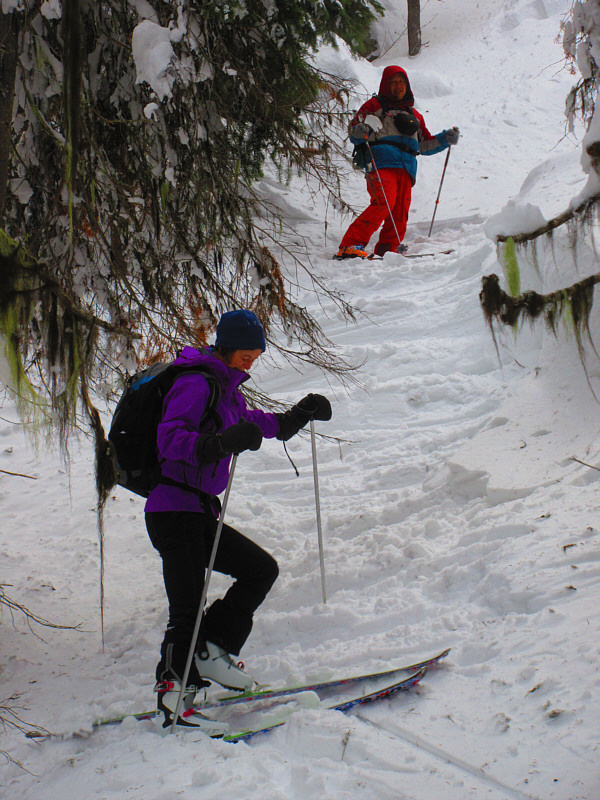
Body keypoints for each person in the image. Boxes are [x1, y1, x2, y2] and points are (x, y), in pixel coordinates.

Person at [145, 309, 332, 733]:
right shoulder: (194, 382)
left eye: (256, 354)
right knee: (186, 609)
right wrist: (219, 443)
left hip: (197, 511)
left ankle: (211, 649)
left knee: (259, 569)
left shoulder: (227, 393)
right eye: (246, 353)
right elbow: (171, 438)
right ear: (226, 348)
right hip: (173, 510)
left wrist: (300, 414)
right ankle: (174, 691)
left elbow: (264, 425)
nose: (251, 360)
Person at [336, 65, 460, 259]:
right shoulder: (373, 107)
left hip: (407, 167)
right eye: (393, 82)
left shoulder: (415, 116)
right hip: (381, 162)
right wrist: (359, 131)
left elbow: (425, 144)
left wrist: (445, 138)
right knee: (384, 201)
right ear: (385, 84)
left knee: (400, 212)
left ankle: (388, 249)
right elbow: (355, 131)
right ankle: (350, 245)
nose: (398, 86)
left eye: (402, 82)